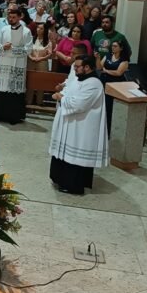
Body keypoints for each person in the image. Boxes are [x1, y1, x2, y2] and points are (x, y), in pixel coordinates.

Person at [48, 54, 109, 195]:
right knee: (65, 155)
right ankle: (60, 179)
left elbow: (80, 104)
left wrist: (61, 97)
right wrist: (61, 94)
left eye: (77, 66)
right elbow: (67, 91)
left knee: (75, 156)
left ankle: (74, 186)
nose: (74, 69)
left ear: (87, 67)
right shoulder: (78, 79)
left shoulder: (94, 84)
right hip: (71, 123)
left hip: (82, 126)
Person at [0, 5, 33, 124]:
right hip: (4, 63)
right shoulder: (4, 29)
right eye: (9, 17)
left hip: (17, 64)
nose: (11, 19)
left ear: (20, 17)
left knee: (15, 90)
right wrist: (3, 47)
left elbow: (28, 49)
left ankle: (14, 116)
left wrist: (14, 49)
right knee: (2, 88)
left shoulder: (26, 31)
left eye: (14, 17)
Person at [99, 39, 130, 135]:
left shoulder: (124, 60)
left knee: (110, 108)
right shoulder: (108, 55)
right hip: (104, 82)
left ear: (121, 48)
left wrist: (106, 71)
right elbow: (100, 66)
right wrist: (98, 60)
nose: (113, 47)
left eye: (115, 46)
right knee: (102, 105)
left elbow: (118, 72)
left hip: (115, 85)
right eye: (112, 46)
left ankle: (108, 131)